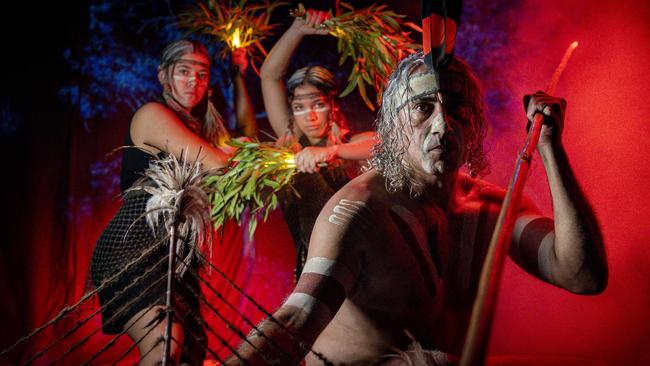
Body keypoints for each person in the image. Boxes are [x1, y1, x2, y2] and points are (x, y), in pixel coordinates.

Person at [228, 51, 607, 365]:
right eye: (423, 108)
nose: (443, 124)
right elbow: (298, 318)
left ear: (472, 122)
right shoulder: (359, 212)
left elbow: (582, 276)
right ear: (394, 126)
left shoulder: (489, 207)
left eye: (455, 106)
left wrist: (551, 149)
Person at [90, 39, 256, 366]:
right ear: (164, 76)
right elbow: (219, 165)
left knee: (192, 352)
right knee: (164, 342)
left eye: (203, 74)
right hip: (133, 245)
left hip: (176, 254)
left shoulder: (198, 129)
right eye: (184, 71)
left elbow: (249, 139)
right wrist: (230, 153)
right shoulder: (152, 114)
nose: (193, 80)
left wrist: (238, 77)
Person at [259, 9, 376, 280]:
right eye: (299, 107)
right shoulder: (291, 142)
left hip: (354, 267)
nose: (309, 116)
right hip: (304, 269)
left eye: (318, 105)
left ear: (332, 105)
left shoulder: (347, 145)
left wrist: (332, 151)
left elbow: (386, 144)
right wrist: (297, 30)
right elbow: (269, 76)